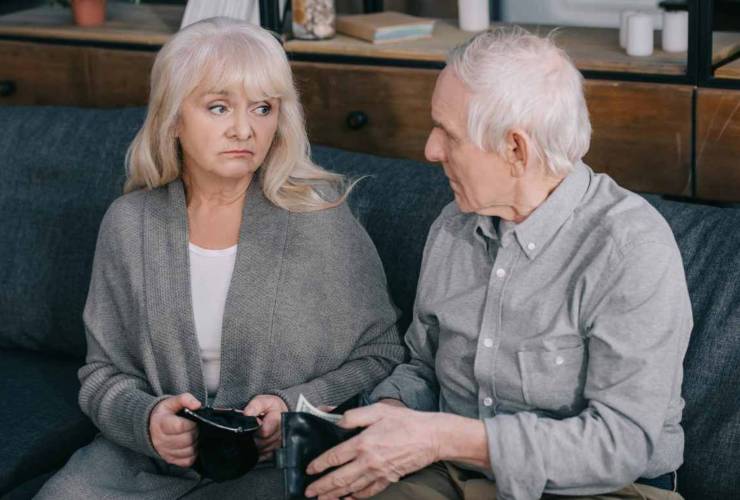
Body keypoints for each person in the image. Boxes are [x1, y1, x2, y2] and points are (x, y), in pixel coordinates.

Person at [304, 27, 692, 500]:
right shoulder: (453, 226)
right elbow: (425, 366)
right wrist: (391, 412)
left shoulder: (629, 248)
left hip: (603, 489)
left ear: (515, 150)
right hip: (456, 473)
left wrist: (440, 438)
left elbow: (620, 445)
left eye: (448, 134)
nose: (430, 150)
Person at [36, 17, 405, 499]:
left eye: (263, 108)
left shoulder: (320, 219)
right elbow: (101, 374)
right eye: (218, 107)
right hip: (139, 467)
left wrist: (292, 404)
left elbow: (381, 353)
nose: (244, 129)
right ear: (173, 119)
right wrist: (147, 420)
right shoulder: (128, 223)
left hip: (274, 469)